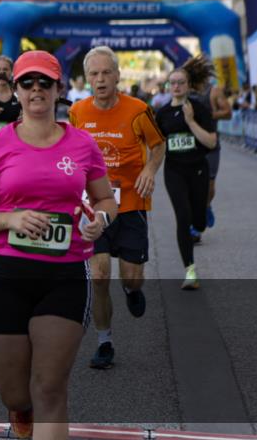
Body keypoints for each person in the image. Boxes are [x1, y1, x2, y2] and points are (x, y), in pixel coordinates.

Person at [0, 49, 116, 440]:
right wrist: (9, 219)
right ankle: (19, 409)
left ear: (58, 89)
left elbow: (106, 200)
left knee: (49, 388)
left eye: (44, 82)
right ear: (16, 90)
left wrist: (101, 220)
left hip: (65, 274)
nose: (35, 89)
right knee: (15, 392)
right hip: (8, 275)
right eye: (26, 82)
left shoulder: (82, 144)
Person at [69, 46, 165, 370]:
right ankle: (104, 341)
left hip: (132, 204)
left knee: (131, 277)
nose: (100, 79)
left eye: (106, 72)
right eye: (94, 74)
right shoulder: (77, 112)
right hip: (93, 206)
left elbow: (158, 144)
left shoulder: (138, 110)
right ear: (86, 79)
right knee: (98, 274)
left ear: (117, 76)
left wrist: (150, 171)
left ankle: (132, 290)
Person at [155, 67, 217, 290]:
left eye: (181, 82)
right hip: (174, 172)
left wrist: (190, 122)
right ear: (168, 86)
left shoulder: (198, 109)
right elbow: (157, 147)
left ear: (189, 85)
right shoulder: (161, 115)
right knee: (183, 217)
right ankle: (190, 271)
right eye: (172, 83)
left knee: (197, 221)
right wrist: (148, 173)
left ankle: (203, 215)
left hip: (198, 170)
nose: (176, 86)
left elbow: (210, 142)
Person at [182, 54, 231, 238]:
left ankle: (206, 206)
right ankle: (195, 224)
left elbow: (228, 112)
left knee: (209, 188)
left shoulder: (214, 92)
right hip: (191, 146)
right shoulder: (185, 92)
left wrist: (209, 115)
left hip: (211, 145)